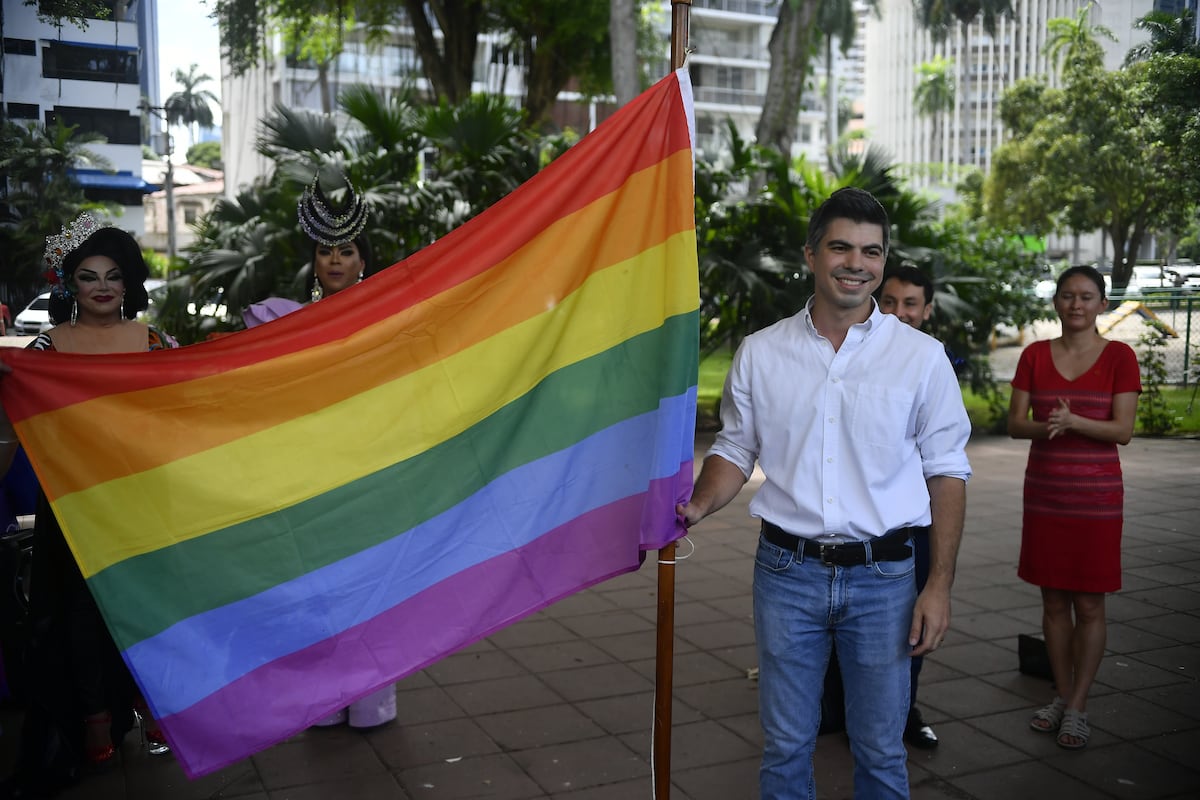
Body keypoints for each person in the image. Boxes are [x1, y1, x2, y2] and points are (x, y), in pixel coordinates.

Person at [678, 188, 971, 799]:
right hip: (787, 573)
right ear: (811, 254)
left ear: (884, 262)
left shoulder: (921, 358)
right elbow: (736, 448)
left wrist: (937, 585)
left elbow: (947, 471)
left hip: (887, 577)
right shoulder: (762, 352)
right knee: (785, 746)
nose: (855, 263)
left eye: (871, 251)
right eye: (841, 247)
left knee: (881, 749)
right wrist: (699, 504)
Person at [0, 215, 178, 797]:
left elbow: (185, 400)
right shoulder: (47, 349)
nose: (101, 286)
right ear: (69, 285)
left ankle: (153, 711)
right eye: (87, 276)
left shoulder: (155, 343)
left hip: (138, 496)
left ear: (128, 284)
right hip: (71, 497)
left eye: (113, 275)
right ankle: (94, 722)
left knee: (147, 605)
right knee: (79, 611)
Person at [246, 175, 398, 729]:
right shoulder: (283, 321)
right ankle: (326, 701)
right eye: (325, 250)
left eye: (347, 250)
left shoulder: (388, 315)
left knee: (368, 583)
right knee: (317, 588)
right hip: (309, 469)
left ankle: (372, 701)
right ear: (314, 259)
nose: (335, 260)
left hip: (369, 465)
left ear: (364, 258)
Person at [1007, 265, 1140, 751]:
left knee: (1089, 602)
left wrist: (1073, 420)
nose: (1076, 304)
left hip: (1098, 501)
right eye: (1067, 296)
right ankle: (1061, 697)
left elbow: (1122, 430)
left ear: (1103, 303)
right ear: (1057, 303)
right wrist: (1052, 427)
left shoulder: (1120, 358)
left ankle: (1079, 705)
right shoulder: (1035, 356)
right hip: (1045, 496)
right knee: (1052, 602)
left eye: (1087, 296)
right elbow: (1017, 424)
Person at [876, 265, 952, 749]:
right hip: (855, 531)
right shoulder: (847, 355)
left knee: (912, 629)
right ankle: (838, 709)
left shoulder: (929, 363)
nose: (899, 314)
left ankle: (905, 711)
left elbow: (947, 464)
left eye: (910, 305)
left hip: (913, 527)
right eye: (890, 302)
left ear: (926, 311)